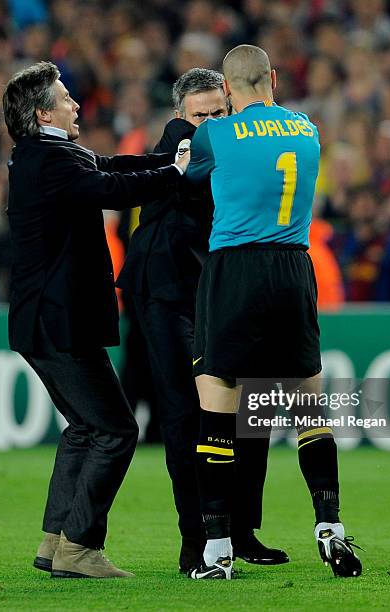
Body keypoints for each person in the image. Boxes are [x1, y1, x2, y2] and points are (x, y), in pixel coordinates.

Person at [2, 61, 190, 579]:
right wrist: (175, 174)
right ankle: (80, 547)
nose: (76, 104)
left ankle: (54, 541)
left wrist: (167, 160)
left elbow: (109, 167)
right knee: (116, 429)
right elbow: (112, 190)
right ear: (43, 112)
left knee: (85, 429)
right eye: (65, 98)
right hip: (58, 323)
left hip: (47, 321)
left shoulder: (43, 155)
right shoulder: (50, 159)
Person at [186, 45, 362, 580]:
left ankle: (217, 552)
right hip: (293, 267)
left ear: (227, 87)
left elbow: (189, 180)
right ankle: (330, 529)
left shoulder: (214, 135)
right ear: (273, 79)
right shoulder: (307, 129)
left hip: (235, 270)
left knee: (218, 403)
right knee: (310, 405)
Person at [118, 68, 288, 572]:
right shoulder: (179, 139)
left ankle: (242, 532)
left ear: (231, 107)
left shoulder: (234, 144)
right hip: (167, 292)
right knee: (184, 415)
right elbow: (187, 159)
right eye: (200, 115)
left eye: (219, 112)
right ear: (180, 115)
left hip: (219, 287)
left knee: (250, 410)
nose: (210, 122)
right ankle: (197, 541)